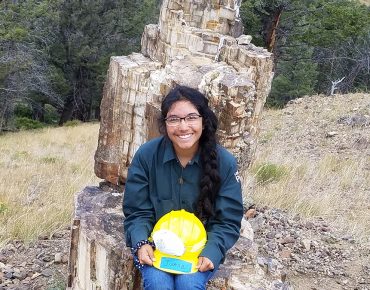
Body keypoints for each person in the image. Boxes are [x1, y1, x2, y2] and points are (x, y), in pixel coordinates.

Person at [123, 85, 243, 290]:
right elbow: (137, 211)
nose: (183, 126)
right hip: (155, 247)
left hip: (200, 250)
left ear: (203, 121)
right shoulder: (146, 155)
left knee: (188, 283)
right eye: (174, 119)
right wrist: (141, 243)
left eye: (191, 117)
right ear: (165, 123)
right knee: (158, 284)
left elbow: (227, 221)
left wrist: (211, 252)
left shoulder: (225, 162)